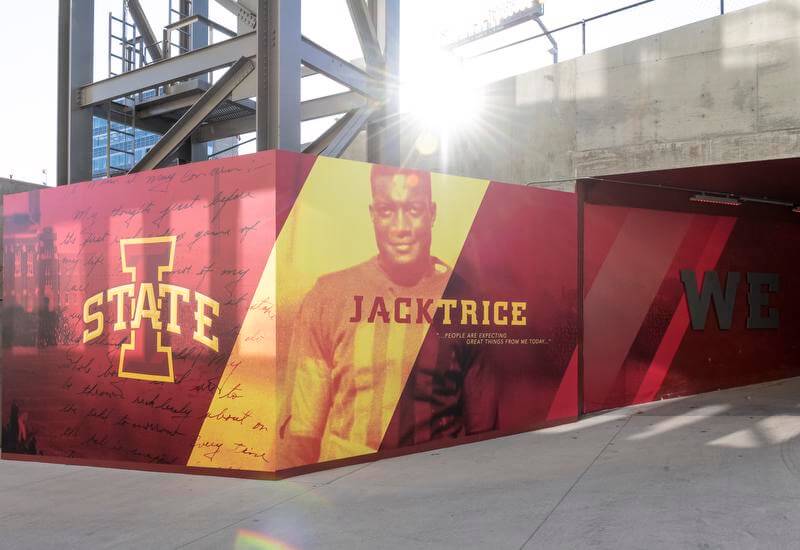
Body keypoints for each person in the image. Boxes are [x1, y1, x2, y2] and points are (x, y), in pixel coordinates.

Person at [280, 165, 497, 467]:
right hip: (348, 481)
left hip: (437, 475)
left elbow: (482, 425)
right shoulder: (328, 295)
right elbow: (302, 432)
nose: (400, 227)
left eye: (413, 209)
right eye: (386, 210)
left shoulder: (465, 299)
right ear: (372, 215)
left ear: (432, 213)